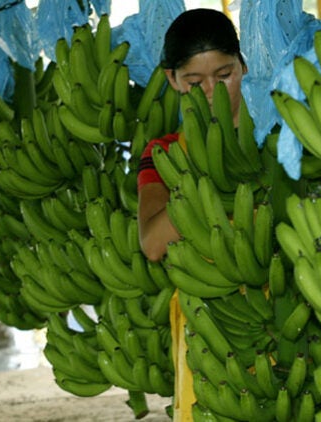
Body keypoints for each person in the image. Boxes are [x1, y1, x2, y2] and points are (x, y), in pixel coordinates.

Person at [136, 8, 248, 421]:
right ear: (172, 80)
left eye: (224, 76)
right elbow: (152, 243)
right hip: (207, 329)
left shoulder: (278, 140)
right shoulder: (165, 154)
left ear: (243, 65)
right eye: (194, 82)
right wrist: (206, 176)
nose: (212, 92)